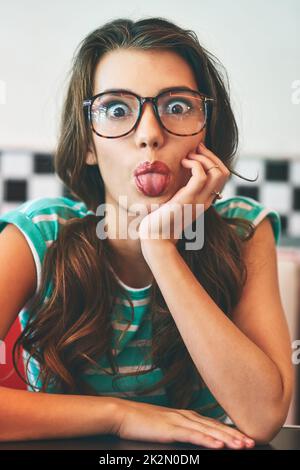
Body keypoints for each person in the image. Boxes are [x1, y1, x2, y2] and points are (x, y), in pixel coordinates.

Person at [0, 17, 293, 448]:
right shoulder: (38, 238)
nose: (150, 135)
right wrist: (121, 417)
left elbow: (263, 417)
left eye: (177, 106)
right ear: (86, 143)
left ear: (205, 132)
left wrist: (160, 247)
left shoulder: (243, 230)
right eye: (117, 109)